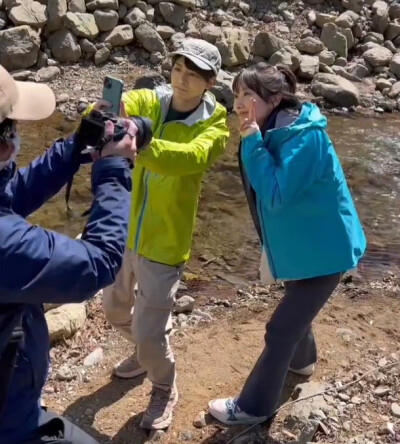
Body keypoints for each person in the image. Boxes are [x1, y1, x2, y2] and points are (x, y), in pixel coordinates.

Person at [207, 63, 366, 425]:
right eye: (236, 95)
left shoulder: (303, 137)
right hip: (305, 248)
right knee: (296, 310)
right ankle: (303, 361)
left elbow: (275, 195)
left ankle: (253, 408)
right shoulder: (275, 128)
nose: (239, 104)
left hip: (327, 252)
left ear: (275, 99)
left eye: (248, 95)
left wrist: (250, 141)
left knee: (280, 330)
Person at [94, 38, 229, 430]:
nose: (183, 80)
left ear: (210, 82)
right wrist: (103, 112)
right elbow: (130, 107)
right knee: (114, 310)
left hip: (165, 245)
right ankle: (146, 346)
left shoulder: (214, 125)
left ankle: (164, 385)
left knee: (151, 336)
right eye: (178, 70)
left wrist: (140, 141)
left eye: (194, 75)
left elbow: (185, 159)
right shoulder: (156, 99)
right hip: (124, 233)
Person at [0, 65, 138, 444]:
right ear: (5, 145)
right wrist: (113, 169)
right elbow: (99, 262)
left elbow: (12, 196)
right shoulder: (5, 245)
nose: (18, 136)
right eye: (14, 128)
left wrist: (76, 146)